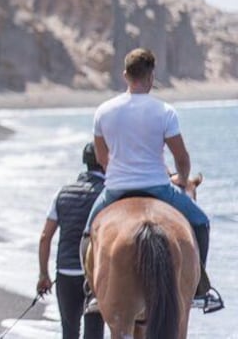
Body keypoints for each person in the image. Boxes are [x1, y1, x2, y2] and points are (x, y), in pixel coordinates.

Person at [82, 47, 223, 313]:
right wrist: (181, 179)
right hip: (158, 188)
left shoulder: (103, 111)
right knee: (201, 222)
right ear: (151, 76)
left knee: (88, 233)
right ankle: (198, 290)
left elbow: (102, 157)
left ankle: (92, 290)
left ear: (125, 75)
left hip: (116, 189)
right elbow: (181, 157)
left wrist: (121, 172)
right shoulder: (165, 111)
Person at [37, 143, 106, 339]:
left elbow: (45, 237)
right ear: (104, 161)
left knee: (69, 331)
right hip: (95, 275)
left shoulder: (62, 193)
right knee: (94, 332)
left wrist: (44, 275)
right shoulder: (107, 194)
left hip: (66, 273)